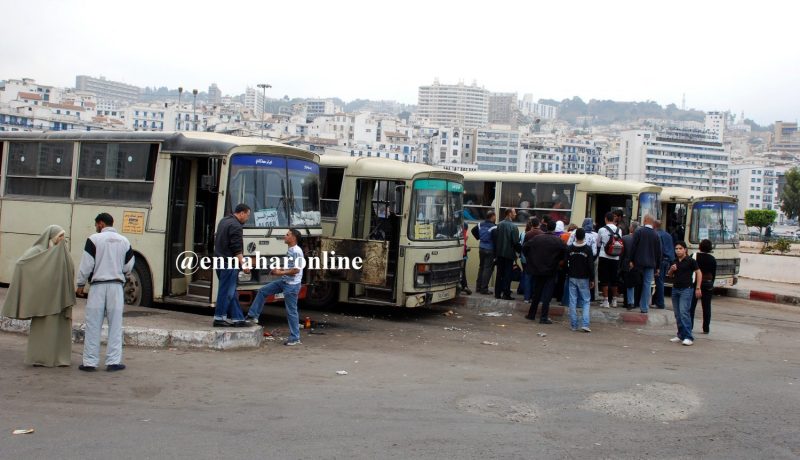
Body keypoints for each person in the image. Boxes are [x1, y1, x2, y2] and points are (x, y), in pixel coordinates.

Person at [2, 225, 75, 367]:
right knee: (44, 329)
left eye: (63, 236)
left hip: (59, 297)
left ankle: (58, 358)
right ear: (51, 236)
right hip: (43, 299)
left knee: (59, 328)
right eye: (59, 236)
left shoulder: (61, 252)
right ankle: (41, 358)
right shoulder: (38, 250)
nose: (62, 239)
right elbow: (21, 264)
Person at [76, 214, 134, 372]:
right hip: (116, 287)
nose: (96, 227)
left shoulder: (94, 240)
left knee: (93, 325)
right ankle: (113, 362)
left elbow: (86, 264)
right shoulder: (124, 241)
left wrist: (80, 284)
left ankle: (89, 362)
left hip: (98, 287)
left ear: (101, 224)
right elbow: (129, 266)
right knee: (115, 325)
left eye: (96, 225)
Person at [246, 229, 305, 346]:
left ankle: (295, 338)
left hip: (292, 286)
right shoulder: (291, 250)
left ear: (293, 238)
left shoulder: (297, 251)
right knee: (263, 291)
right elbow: (290, 266)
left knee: (291, 311)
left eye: (287, 235)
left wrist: (280, 273)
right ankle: (252, 316)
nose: (285, 236)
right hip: (284, 281)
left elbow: (296, 270)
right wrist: (279, 270)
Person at [213, 204, 251, 328]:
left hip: (219, 261)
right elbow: (237, 249)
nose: (247, 218)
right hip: (228, 263)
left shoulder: (224, 221)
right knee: (226, 292)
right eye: (247, 215)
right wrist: (244, 264)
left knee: (231, 291)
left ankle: (238, 318)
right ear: (242, 213)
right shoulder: (236, 226)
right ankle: (219, 317)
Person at [524, 220, 567, 324]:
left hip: (538, 269)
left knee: (537, 293)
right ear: (554, 228)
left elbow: (525, 247)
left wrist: (531, 259)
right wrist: (558, 262)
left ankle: (531, 314)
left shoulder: (537, 238)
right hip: (551, 270)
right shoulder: (558, 241)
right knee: (547, 295)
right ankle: (543, 317)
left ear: (546, 227)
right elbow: (565, 254)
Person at [668, 241, 703, 346]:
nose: (678, 250)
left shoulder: (690, 261)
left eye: (680, 248)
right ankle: (680, 334)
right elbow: (670, 276)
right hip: (675, 289)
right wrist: (671, 269)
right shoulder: (674, 261)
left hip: (686, 289)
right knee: (677, 314)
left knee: (684, 313)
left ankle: (688, 336)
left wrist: (698, 287)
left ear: (685, 249)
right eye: (676, 249)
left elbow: (699, 273)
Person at [627, 214, 662, 313]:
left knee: (634, 281)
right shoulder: (656, 235)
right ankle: (644, 307)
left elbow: (633, 247)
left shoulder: (639, 232)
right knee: (647, 285)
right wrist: (658, 266)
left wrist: (631, 260)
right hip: (651, 263)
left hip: (638, 262)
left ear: (646, 220)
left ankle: (631, 302)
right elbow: (658, 252)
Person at [566, 228, 594, 332]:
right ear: (584, 236)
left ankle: (574, 325)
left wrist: (568, 272)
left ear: (575, 236)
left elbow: (565, 263)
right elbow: (591, 266)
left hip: (572, 277)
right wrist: (592, 279)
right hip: (584, 278)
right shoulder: (588, 249)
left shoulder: (570, 248)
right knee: (586, 301)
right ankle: (585, 324)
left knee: (573, 301)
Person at [690, 239, 717, 334]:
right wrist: (711, 284)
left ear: (699, 246)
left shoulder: (694, 256)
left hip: (695, 283)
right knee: (706, 307)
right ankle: (706, 328)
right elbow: (713, 274)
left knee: (691, 306)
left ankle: (690, 326)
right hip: (708, 284)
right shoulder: (712, 259)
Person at [494, 208, 520, 300]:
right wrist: (519, 252)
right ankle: (506, 294)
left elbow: (496, 239)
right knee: (507, 274)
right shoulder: (513, 227)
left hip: (499, 253)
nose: (515, 214)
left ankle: (497, 293)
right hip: (509, 254)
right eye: (514, 212)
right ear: (509, 214)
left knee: (499, 273)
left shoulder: (499, 225)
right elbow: (516, 242)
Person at [597, 212, 622, 308]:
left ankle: (606, 301)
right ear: (614, 219)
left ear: (606, 219)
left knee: (604, 279)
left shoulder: (602, 230)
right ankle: (615, 301)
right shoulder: (619, 230)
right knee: (614, 278)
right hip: (616, 257)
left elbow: (598, 244)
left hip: (604, 256)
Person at [472, 210, 497, 295]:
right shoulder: (493, 227)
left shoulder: (480, 224)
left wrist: (479, 237)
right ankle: (484, 289)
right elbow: (495, 240)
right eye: (495, 216)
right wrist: (496, 253)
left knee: (481, 267)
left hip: (481, 248)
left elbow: (473, 230)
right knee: (487, 269)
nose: (495, 218)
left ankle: (478, 287)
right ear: (492, 216)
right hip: (489, 249)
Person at [652, 219, 675, 309]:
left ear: (654, 225)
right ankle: (655, 301)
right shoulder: (668, 235)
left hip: (661, 261)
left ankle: (660, 303)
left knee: (659, 282)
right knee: (661, 281)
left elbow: (659, 250)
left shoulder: (657, 235)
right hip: (667, 260)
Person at [620, 221, 642, 310]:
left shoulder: (624, 238)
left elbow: (622, 254)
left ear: (631, 228)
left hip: (626, 264)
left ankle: (627, 302)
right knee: (637, 284)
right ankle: (635, 303)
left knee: (627, 284)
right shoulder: (641, 239)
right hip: (638, 265)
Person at [459, 222, 472, 295]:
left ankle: (464, 285)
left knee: (462, 270)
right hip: (462, 254)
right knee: (462, 270)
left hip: (462, 253)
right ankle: (464, 286)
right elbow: (463, 241)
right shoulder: (463, 231)